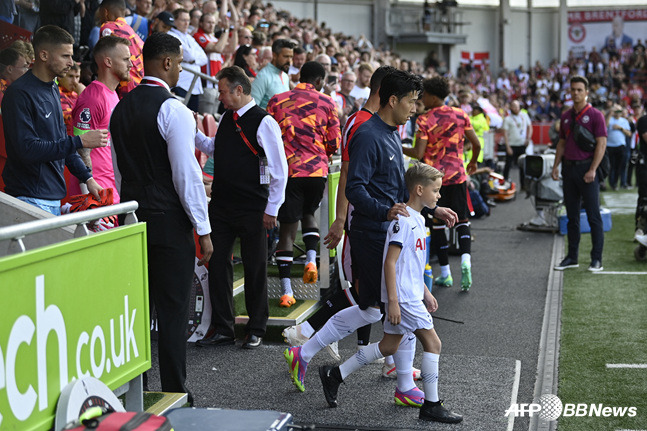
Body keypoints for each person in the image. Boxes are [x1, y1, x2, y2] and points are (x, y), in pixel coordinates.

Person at [284, 70, 458, 397]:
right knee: (378, 308)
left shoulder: (392, 131)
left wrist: (430, 208)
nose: (415, 107)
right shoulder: (365, 132)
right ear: (393, 99)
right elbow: (355, 187)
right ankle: (307, 351)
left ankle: (400, 382)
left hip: (390, 229)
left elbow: (397, 188)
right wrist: (382, 211)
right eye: (411, 100)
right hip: (373, 233)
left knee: (380, 308)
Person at [110, 32, 213, 400]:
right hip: (169, 221)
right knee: (171, 310)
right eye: (182, 63)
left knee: (137, 309)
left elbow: (120, 171)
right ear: (167, 63)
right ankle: (175, 390)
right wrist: (203, 228)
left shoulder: (120, 108)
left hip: (132, 219)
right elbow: (186, 176)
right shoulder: (175, 110)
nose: (182, 70)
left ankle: (140, 388)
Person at [318, 162, 463, 424]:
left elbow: (412, 263)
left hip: (409, 295)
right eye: (436, 190)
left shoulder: (418, 218)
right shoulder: (403, 221)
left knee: (388, 345)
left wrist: (425, 293)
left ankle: (334, 375)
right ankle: (431, 404)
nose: (439, 196)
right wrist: (393, 302)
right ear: (419, 190)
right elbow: (390, 262)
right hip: (403, 298)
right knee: (434, 344)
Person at [195, 65, 288, 349]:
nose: (220, 97)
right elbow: (215, 148)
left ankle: (256, 326)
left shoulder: (264, 122)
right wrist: (193, 132)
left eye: (223, 91)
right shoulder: (227, 117)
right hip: (221, 205)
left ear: (238, 89)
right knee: (217, 263)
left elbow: (279, 169)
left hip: (253, 207)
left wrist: (272, 208)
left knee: (255, 266)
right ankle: (223, 327)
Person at [1, 25, 107, 215]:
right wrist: (80, 141)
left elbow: (60, 141)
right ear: (43, 55)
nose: (71, 62)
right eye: (65, 56)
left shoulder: (51, 88)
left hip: (51, 198)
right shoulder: (19, 93)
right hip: (28, 197)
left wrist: (87, 178)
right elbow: (27, 149)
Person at [266, 61, 341, 307]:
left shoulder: (277, 100)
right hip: (316, 170)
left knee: (287, 231)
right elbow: (334, 143)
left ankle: (287, 292)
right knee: (310, 213)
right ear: (319, 81)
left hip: (288, 172)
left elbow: (268, 136)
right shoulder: (328, 102)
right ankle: (310, 259)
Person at [403, 76, 480, 291]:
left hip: (433, 179)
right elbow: (475, 143)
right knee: (462, 220)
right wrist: (472, 162)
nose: (422, 98)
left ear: (433, 97)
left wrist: (398, 147)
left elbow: (418, 152)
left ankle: (445, 273)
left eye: (424, 95)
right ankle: (466, 260)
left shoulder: (425, 119)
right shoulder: (460, 114)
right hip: (457, 176)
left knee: (437, 224)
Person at [551, 75, 607, 272]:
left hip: (587, 170)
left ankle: (596, 259)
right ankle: (572, 257)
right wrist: (556, 165)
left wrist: (592, 169)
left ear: (586, 92)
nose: (575, 93)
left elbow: (601, 144)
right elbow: (562, 143)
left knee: (593, 216)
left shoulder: (595, 115)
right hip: (569, 169)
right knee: (571, 216)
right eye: (573, 89)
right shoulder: (566, 116)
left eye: (579, 90)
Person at [69, 35, 132, 201]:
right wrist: (87, 200)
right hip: (95, 194)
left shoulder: (112, 95)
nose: (131, 65)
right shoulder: (93, 98)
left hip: (109, 189)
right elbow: (80, 148)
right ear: (108, 62)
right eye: (125, 59)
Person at [193, 10, 237, 115]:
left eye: (213, 23)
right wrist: (226, 30)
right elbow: (217, 48)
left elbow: (231, 49)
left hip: (216, 86)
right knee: (204, 119)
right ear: (201, 23)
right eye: (208, 22)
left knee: (211, 120)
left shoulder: (214, 38)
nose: (211, 25)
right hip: (206, 85)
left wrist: (234, 30)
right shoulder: (198, 36)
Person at [99, 0, 145, 98]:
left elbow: (105, 60)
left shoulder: (108, 27)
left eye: (100, 14)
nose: (100, 18)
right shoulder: (132, 31)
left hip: (126, 86)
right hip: (140, 86)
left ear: (105, 12)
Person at [169, 8, 208, 112]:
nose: (186, 23)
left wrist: (192, 60)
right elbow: (188, 55)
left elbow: (204, 58)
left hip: (195, 87)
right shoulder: (171, 35)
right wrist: (193, 58)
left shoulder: (190, 38)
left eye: (188, 20)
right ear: (175, 21)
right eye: (183, 20)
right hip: (181, 84)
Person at [251, 38, 294, 109]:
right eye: (286, 56)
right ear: (274, 55)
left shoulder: (285, 76)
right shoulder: (263, 76)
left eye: (291, 57)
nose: (289, 61)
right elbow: (253, 108)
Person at [502, 100, 532, 186]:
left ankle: (523, 185)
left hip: (522, 145)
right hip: (512, 145)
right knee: (508, 165)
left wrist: (528, 138)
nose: (515, 108)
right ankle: (505, 182)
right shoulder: (507, 119)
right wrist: (507, 146)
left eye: (517, 106)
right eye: (513, 106)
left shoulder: (525, 116)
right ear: (510, 107)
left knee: (523, 166)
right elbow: (505, 134)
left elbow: (530, 127)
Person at [605, 104, 631, 190]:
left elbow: (629, 133)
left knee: (618, 166)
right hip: (610, 146)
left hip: (620, 145)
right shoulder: (610, 119)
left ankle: (615, 183)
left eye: (619, 111)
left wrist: (620, 128)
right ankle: (612, 183)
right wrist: (610, 114)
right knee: (611, 166)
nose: (618, 113)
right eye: (616, 111)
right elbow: (605, 126)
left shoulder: (624, 121)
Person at [58, 63, 84, 136]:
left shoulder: (76, 93)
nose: (75, 81)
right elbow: (69, 120)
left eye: (77, 77)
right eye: (70, 76)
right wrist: (84, 97)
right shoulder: (56, 94)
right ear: (60, 76)